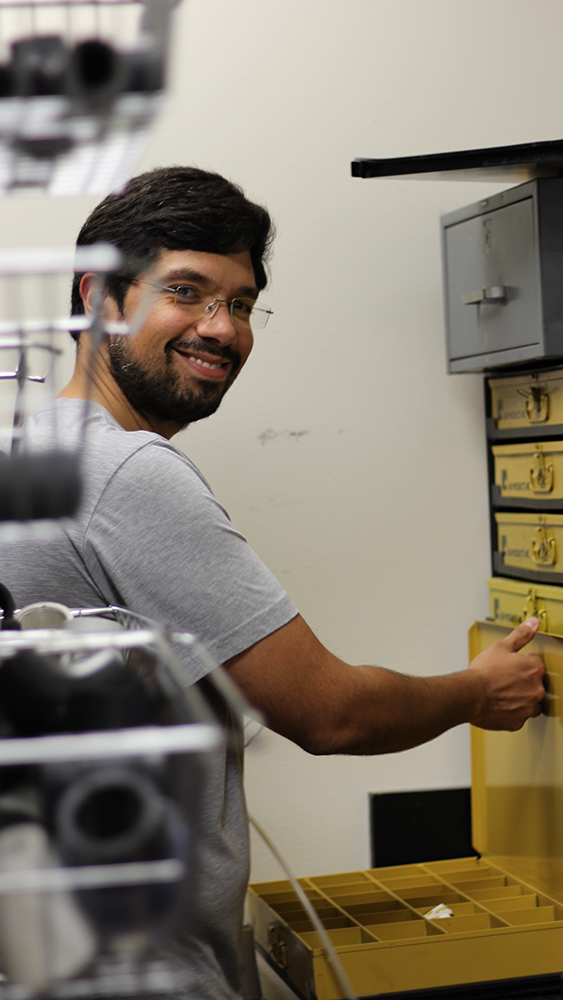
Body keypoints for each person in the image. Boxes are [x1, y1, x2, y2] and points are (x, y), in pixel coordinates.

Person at [0, 166, 546, 1000]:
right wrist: (477, 691)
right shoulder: (122, 472)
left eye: (243, 303)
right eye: (187, 291)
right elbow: (332, 713)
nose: (222, 328)